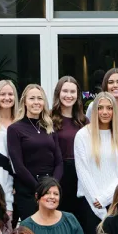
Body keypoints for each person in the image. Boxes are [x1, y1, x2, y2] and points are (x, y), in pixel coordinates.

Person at [75, 92, 118, 234]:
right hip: (89, 204)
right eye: (100, 108)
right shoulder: (82, 136)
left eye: (109, 108)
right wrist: (98, 204)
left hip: (116, 203)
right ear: (94, 110)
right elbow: (83, 172)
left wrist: (106, 198)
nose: (105, 112)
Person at [7, 84, 63, 222]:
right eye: (32, 98)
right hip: (29, 191)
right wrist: (40, 189)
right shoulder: (14, 129)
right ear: (24, 102)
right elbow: (18, 166)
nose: (36, 102)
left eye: (40, 98)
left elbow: (59, 162)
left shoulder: (49, 127)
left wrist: (52, 186)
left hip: (50, 189)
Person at [51, 76, 88, 222]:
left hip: (80, 173)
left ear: (78, 95)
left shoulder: (84, 121)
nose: (68, 95)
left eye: (73, 91)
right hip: (58, 173)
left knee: (79, 217)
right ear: (58, 93)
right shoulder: (49, 118)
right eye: (65, 91)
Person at [85, 68, 118, 134]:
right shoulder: (94, 107)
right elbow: (87, 133)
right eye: (111, 82)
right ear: (105, 85)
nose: (115, 85)